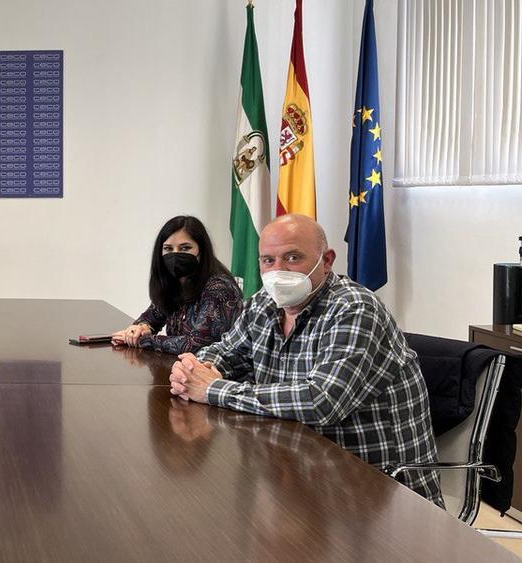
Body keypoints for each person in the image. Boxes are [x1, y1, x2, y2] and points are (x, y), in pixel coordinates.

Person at [169, 214, 443, 506]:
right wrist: (194, 369)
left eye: (292, 257)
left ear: (326, 261)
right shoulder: (264, 303)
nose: (278, 271)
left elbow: (322, 401)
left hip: (379, 493)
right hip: (296, 472)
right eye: (268, 261)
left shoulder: (355, 309)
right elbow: (226, 351)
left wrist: (213, 389)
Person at [112, 215, 243, 354]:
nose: (175, 255)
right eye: (168, 249)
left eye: (185, 248)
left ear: (202, 250)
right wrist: (140, 329)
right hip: (181, 369)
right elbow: (151, 317)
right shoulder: (176, 281)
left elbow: (195, 344)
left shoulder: (219, 287)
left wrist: (142, 340)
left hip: (217, 373)